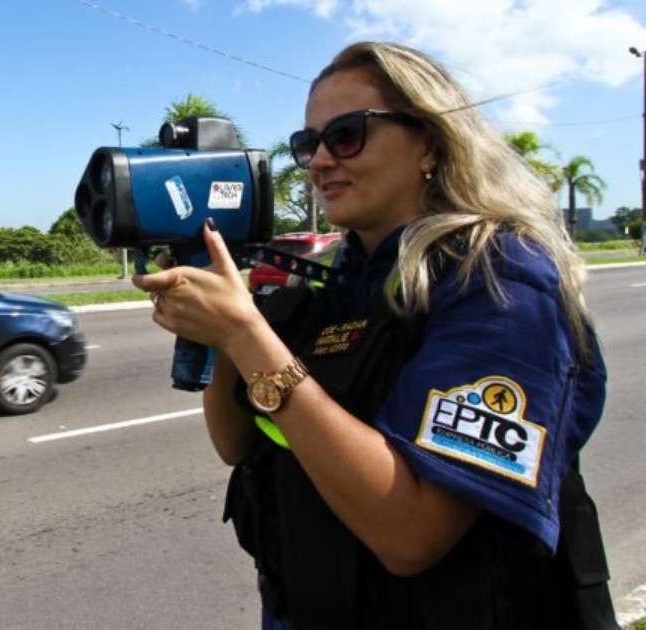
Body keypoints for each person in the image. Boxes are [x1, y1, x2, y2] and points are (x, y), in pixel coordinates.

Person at [133, 42, 616, 629]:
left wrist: (245, 331)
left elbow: (411, 535)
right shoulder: (340, 278)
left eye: (347, 135)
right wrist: (225, 329)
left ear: (430, 144)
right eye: (309, 143)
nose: (317, 162)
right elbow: (236, 444)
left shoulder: (498, 279)